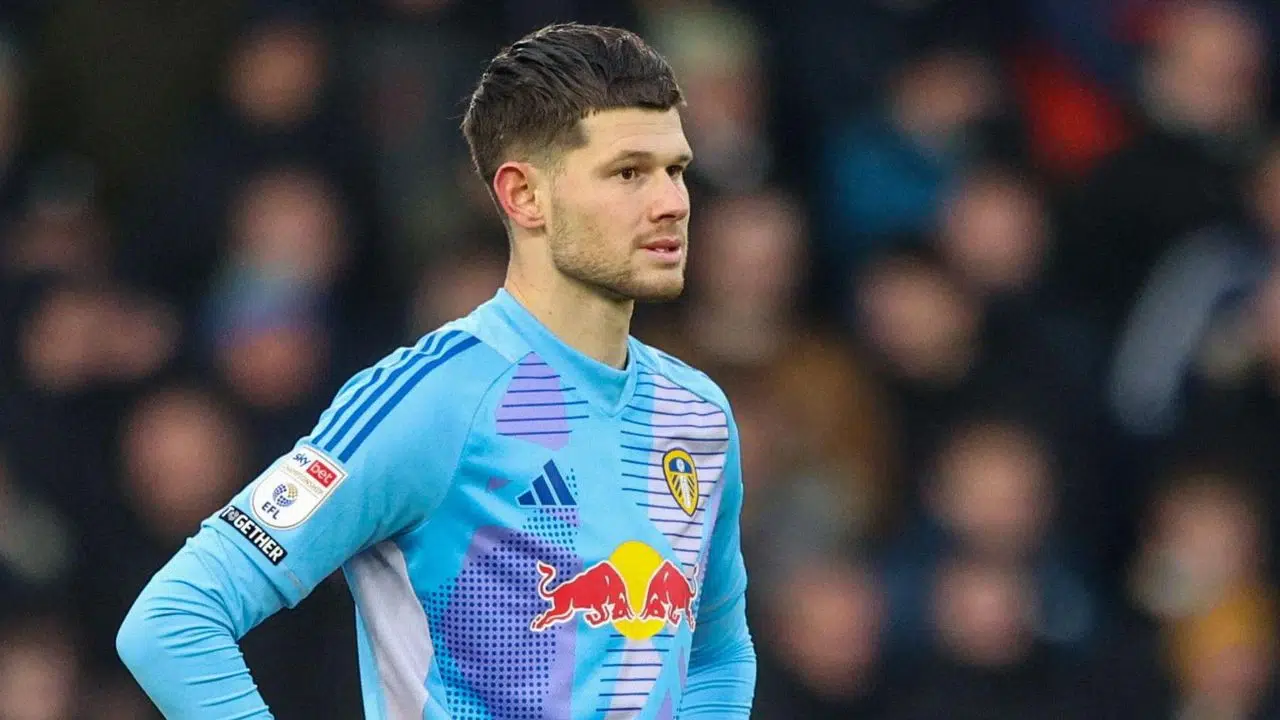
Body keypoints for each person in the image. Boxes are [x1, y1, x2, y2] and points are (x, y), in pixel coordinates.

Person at [115, 22, 756, 719]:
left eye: (676, 169)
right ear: (524, 195)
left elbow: (717, 653)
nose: (672, 202)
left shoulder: (697, 414)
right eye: (629, 172)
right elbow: (172, 622)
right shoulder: (431, 399)